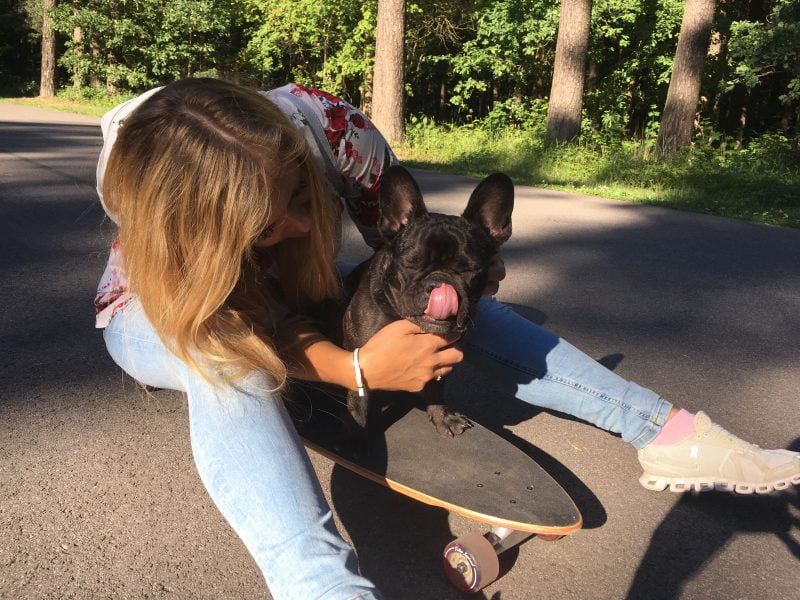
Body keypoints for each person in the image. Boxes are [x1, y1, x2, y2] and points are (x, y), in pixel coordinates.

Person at [95, 78, 799, 599]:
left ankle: (672, 435)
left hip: (296, 296)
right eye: (272, 224)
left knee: (454, 307)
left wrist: (458, 291)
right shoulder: (160, 211)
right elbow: (227, 320)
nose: (307, 226)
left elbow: (402, 262)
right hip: (173, 311)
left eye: (303, 195)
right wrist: (351, 367)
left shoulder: (338, 131)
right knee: (227, 362)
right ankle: (324, 588)